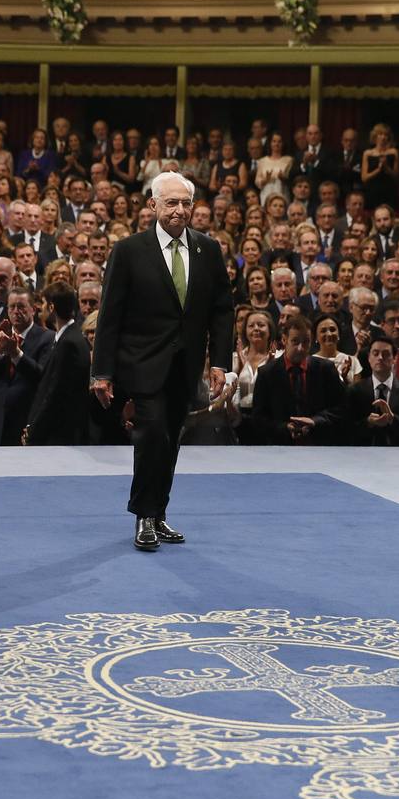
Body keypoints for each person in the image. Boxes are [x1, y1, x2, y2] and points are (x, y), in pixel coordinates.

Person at [91, 172, 234, 552]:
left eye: (186, 203)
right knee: (151, 434)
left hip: (185, 368)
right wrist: (102, 372)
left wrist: (220, 363)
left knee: (170, 440)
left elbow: (222, 311)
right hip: (141, 363)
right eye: (171, 203)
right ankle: (143, 515)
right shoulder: (128, 250)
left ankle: (159, 513)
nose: (180, 210)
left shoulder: (209, 249)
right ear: (153, 206)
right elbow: (110, 316)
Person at [249, 315, 350, 445]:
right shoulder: (267, 373)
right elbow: (258, 418)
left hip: (320, 446)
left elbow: (342, 408)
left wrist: (315, 421)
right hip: (280, 448)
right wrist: (285, 427)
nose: (301, 348)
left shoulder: (326, 369)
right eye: (295, 341)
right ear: (284, 340)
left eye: (306, 342)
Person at [0, 287, 53, 445]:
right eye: (12, 307)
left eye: (21, 307)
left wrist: (15, 353)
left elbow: (41, 376)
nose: (16, 311)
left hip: (26, 417)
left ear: (33, 309)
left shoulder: (47, 338)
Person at [25, 281, 91, 445]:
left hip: (61, 436)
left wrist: (33, 432)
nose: (41, 307)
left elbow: (55, 394)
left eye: (44, 303)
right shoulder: (68, 337)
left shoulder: (69, 343)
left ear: (52, 307)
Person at [349, 334, 399, 446]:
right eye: (375, 353)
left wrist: (393, 419)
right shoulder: (355, 391)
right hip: (362, 454)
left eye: (386, 354)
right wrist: (368, 422)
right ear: (369, 357)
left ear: (395, 359)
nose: (380, 358)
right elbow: (347, 429)